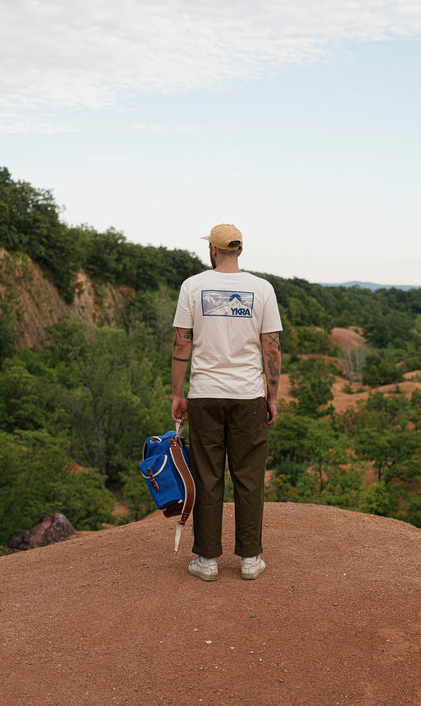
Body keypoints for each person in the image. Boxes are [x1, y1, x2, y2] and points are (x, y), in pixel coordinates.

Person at [171, 223, 283, 582]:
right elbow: (271, 347)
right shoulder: (262, 288)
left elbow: (182, 344)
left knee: (208, 475)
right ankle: (250, 559)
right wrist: (273, 396)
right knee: (249, 477)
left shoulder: (192, 285)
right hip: (248, 395)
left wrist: (177, 393)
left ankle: (206, 561)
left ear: (213, 251)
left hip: (204, 393)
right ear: (240, 250)